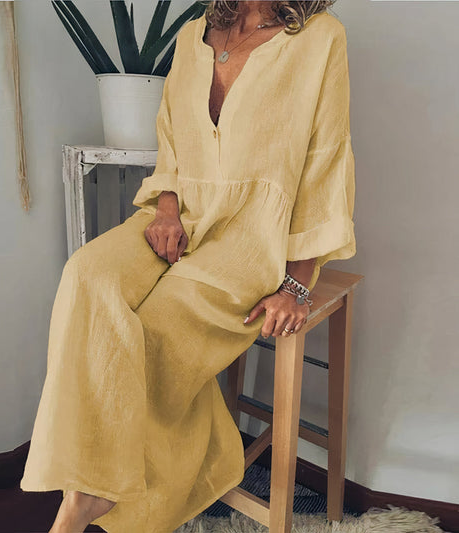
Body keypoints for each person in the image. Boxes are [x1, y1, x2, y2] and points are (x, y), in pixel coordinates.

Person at [19, 1, 356, 532]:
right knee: (86, 275)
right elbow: (172, 135)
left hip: (254, 236)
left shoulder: (320, 37)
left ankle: (88, 497)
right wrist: (167, 208)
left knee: (155, 330)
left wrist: (295, 283)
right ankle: (116, 474)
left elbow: (325, 160)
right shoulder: (194, 34)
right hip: (180, 215)